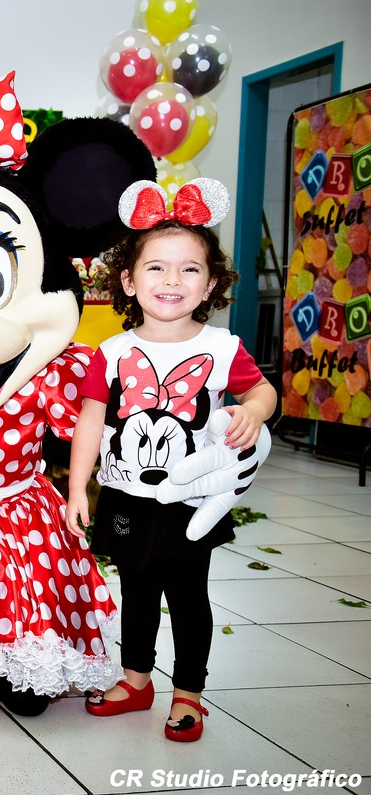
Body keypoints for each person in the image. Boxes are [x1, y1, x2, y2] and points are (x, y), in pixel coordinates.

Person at [65, 179, 277, 743]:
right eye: (156, 268)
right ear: (129, 281)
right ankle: (136, 679)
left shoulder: (221, 348)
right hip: (127, 495)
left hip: (191, 500)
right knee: (135, 593)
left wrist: (255, 410)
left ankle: (188, 693)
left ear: (211, 283)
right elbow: (90, 422)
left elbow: (263, 391)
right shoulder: (110, 353)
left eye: (189, 269)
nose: (172, 280)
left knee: (187, 597)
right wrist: (78, 489)